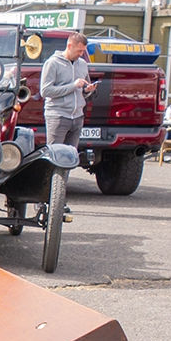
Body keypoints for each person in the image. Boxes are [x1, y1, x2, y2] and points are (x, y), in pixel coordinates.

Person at [39, 31, 95, 220]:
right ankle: (43, 198)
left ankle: (59, 200)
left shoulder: (82, 65)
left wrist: (87, 91)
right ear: (69, 46)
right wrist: (73, 85)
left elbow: (81, 91)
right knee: (53, 157)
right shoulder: (52, 63)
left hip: (76, 116)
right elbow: (45, 90)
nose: (81, 54)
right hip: (58, 115)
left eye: (83, 52)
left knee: (69, 159)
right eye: (79, 51)